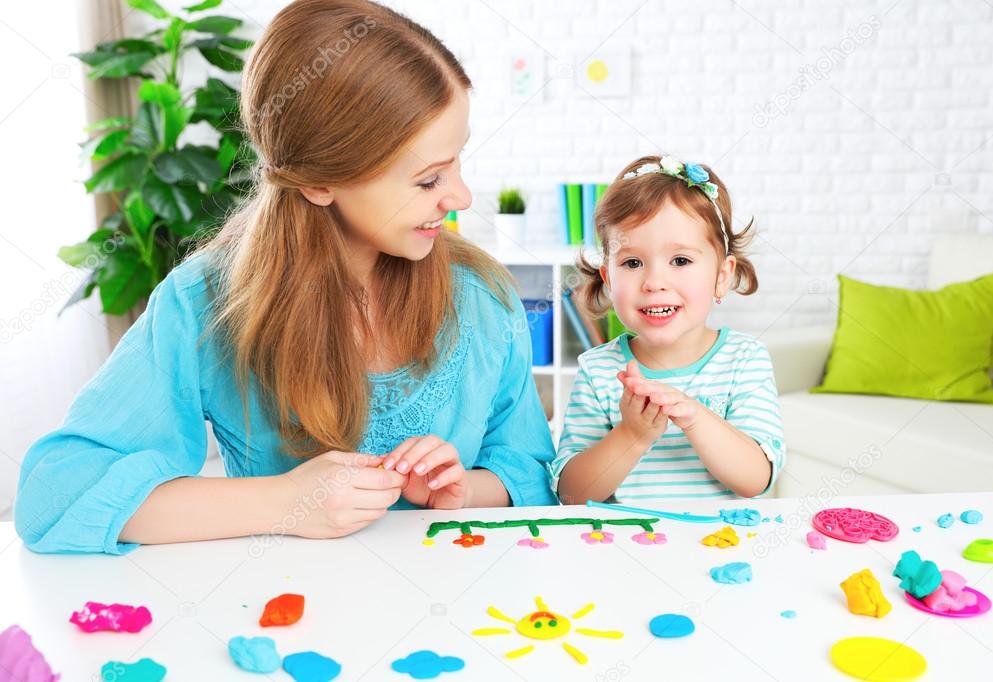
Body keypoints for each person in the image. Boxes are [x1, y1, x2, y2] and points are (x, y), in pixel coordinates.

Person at [15, 0, 556, 555]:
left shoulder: (482, 298)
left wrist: (460, 492)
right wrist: (286, 502)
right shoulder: (204, 303)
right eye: (427, 180)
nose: (460, 196)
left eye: (458, 160)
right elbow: (55, 496)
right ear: (320, 184)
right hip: (284, 618)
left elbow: (533, 478)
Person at [552, 155, 785, 504]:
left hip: (719, 545)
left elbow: (756, 479)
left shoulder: (744, 360)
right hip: (625, 548)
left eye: (680, 261)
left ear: (721, 277)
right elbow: (571, 494)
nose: (655, 282)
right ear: (609, 279)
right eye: (632, 262)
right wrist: (632, 435)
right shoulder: (599, 369)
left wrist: (695, 417)